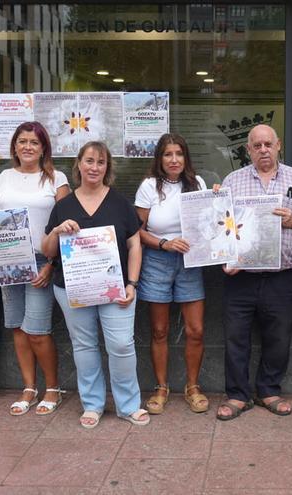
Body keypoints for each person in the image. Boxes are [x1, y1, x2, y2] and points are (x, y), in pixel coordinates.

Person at [43, 141, 148, 429]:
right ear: (79, 164)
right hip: (72, 288)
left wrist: (133, 283)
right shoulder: (63, 206)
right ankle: (93, 404)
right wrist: (56, 230)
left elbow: (135, 245)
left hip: (116, 289)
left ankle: (128, 405)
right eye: (89, 161)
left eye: (101, 162)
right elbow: (48, 250)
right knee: (84, 346)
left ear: (107, 168)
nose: (94, 167)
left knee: (121, 345)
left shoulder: (120, 203)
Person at [215, 124, 292, 421]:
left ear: (278, 145)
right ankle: (237, 395)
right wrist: (224, 257)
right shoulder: (233, 180)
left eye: (268, 144)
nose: (263, 150)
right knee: (235, 337)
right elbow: (222, 225)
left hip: (281, 274)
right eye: (256, 145)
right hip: (240, 274)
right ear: (248, 149)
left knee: (278, 337)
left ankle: (268, 390)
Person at [0, 121, 70, 416]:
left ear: (44, 147)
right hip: (7, 259)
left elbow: (67, 228)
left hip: (42, 261)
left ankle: (53, 388)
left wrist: (53, 265)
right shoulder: (3, 177)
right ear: (14, 146)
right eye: (22, 141)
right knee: (17, 327)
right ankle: (29, 387)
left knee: (38, 330)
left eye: (34, 141)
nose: (27, 146)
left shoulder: (56, 179)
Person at [134, 133, 209, 415]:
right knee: (159, 330)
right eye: (168, 154)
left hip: (191, 260)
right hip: (157, 260)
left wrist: (216, 200)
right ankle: (161, 388)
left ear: (186, 157)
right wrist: (164, 243)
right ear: (160, 158)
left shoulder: (197, 183)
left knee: (196, 330)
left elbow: (210, 220)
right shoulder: (149, 187)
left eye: (179, 153)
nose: (174, 159)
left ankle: (192, 387)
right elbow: (137, 231)